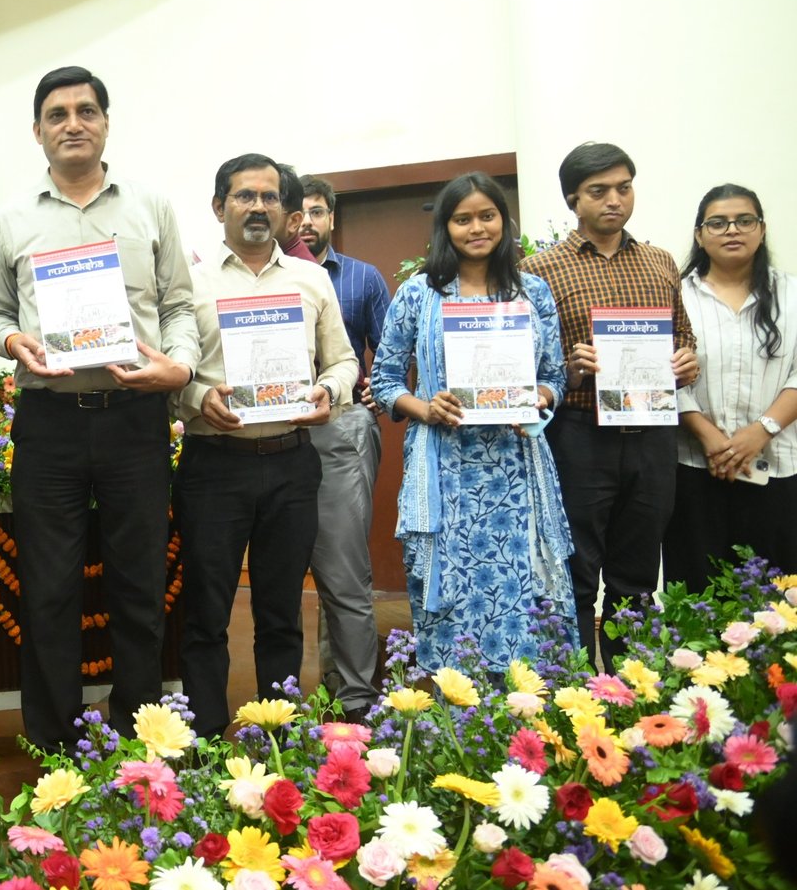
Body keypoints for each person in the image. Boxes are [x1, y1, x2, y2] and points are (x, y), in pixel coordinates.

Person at [0, 66, 200, 749]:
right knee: (48, 590)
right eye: (57, 114)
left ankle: (140, 742)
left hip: (135, 417)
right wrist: (12, 340)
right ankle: (54, 745)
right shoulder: (12, 219)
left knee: (139, 586)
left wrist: (180, 367)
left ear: (106, 122)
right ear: (38, 131)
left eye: (85, 111)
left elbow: (179, 306)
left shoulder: (150, 207)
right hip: (49, 421)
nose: (72, 124)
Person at [174, 155, 357, 738]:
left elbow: (344, 361)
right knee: (206, 612)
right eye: (244, 196)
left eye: (269, 197)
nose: (258, 207)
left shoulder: (311, 279)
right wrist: (198, 397)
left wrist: (330, 390)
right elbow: (171, 371)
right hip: (213, 465)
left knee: (281, 612)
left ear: (284, 209)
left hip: (291, 462)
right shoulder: (188, 282)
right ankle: (203, 743)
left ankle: (278, 741)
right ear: (218, 207)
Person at [371, 172, 576, 673]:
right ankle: (456, 709)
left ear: (504, 221)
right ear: (446, 227)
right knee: (451, 594)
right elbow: (384, 380)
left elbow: (554, 376)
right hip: (445, 471)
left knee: (527, 591)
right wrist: (425, 408)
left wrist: (538, 398)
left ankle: (531, 706)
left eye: (488, 216)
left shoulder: (532, 292)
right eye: (463, 219)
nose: (477, 228)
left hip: (516, 469)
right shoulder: (418, 294)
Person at [521, 142, 697, 667]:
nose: (614, 200)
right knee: (575, 573)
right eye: (598, 191)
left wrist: (687, 361)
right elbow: (526, 366)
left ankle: (630, 689)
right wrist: (571, 368)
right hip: (579, 434)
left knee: (637, 575)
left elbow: (683, 338)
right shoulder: (538, 271)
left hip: (653, 435)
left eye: (624, 188)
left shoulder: (660, 262)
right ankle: (574, 691)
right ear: (573, 200)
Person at [664, 184, 796, 586]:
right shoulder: (674, 295)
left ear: (762, 229)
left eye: (744, 221)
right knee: (696, 594)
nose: (732, 230)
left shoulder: (791, 293)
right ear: (700, 235)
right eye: (718, 223)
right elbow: (661, 374)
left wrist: (761, 431)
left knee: (776, 597)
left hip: (777, 466)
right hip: (694, 466)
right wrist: (707, 435)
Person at [297, 174, 387, 719]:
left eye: (316, 211)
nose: (306, 221)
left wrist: (382, 386)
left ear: (331, 217)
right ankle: (293, 697)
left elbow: (390, 350)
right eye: (299, 212)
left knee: (343, 567)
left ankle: (350, 695)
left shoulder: (361, 277)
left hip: (343, 424)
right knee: (290, 567)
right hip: (273, 428)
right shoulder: (267, 278)